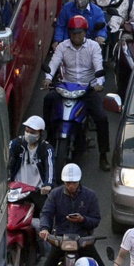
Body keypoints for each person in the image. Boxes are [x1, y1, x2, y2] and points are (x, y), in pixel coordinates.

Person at [42, 17, 111, 168]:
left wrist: (99, 83)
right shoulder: (62, 47)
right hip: (66, 87)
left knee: (101, 118)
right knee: (48, 100)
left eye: (79, 33)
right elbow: (53, 63)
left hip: (88, 88)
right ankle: (49, 134)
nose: (76, 36)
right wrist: (48, 78)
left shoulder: (93, 47)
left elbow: (98, 65)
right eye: (73, 33)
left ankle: (103, 155)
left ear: (85, 32)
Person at [7, 115, 55, 196]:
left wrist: (48, 185)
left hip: (37, 191)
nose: (29, 134)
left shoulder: (46, 149)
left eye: (32, 132)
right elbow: (6, 159)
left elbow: (50, 167)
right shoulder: (16, 144)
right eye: (27, 131)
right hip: (16, 190)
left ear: (40, 133)